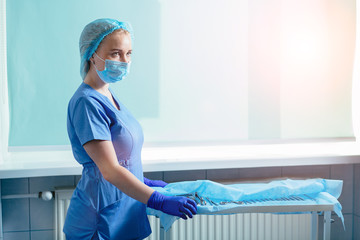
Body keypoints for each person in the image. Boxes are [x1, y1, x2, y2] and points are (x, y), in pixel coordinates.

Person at [63, 18, 197, 240]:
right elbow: (109, 169)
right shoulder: (86, 102)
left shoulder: (108, 94)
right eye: (115, 53)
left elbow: (122, 158)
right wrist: (158, 199)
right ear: (91, 54)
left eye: (129, 53)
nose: (124, 61)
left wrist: (143, 181)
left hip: (124, 211)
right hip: (99, 218)